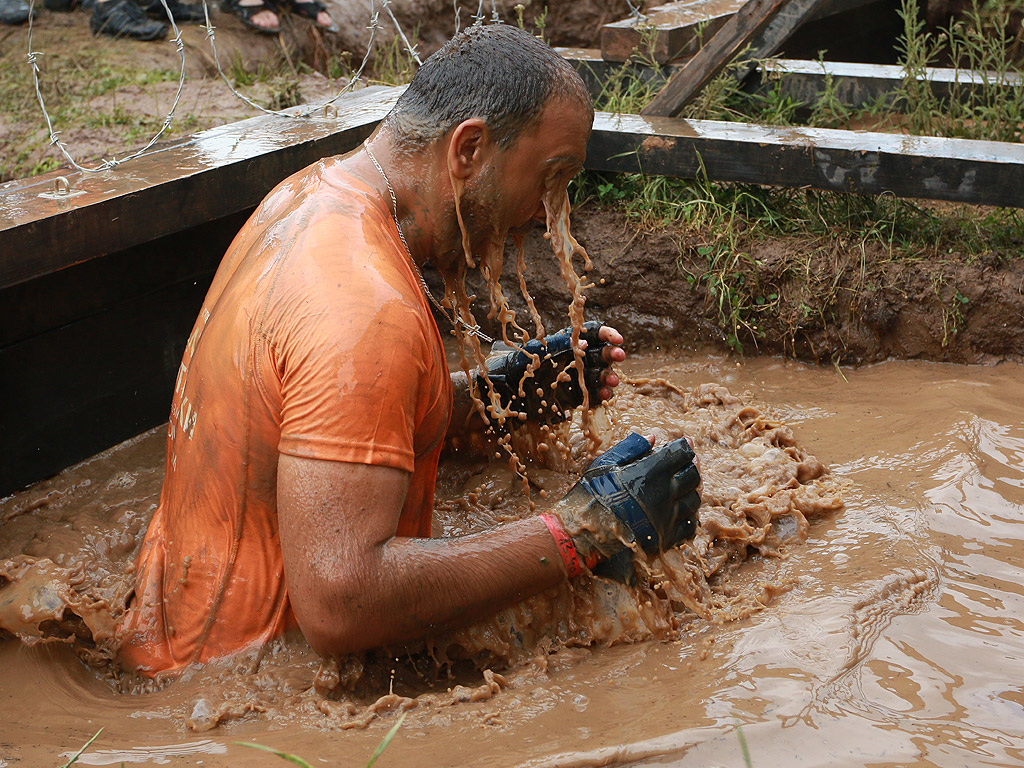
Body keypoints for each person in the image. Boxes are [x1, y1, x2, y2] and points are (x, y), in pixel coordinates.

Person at [116, 24, 701, 677]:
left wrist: (493, 394)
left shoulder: (308, 197)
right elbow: (342, 602)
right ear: (470, 149)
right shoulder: (365, 314)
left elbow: (321, 418)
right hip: (235, 687)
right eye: (550, 178)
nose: (548, 214)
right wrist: (585, 529)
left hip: (170, 637)